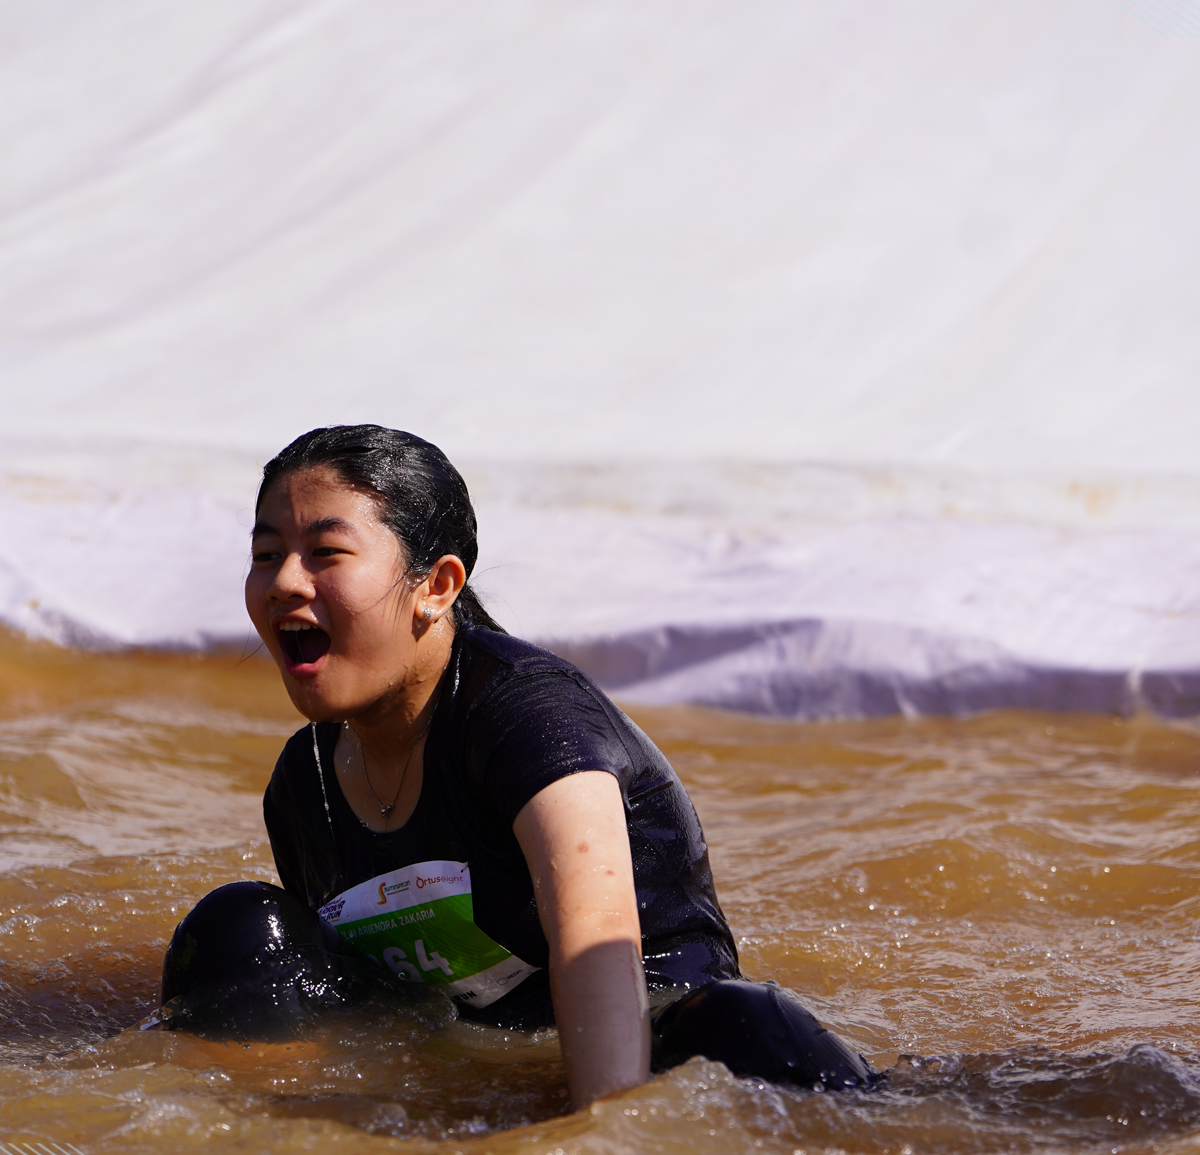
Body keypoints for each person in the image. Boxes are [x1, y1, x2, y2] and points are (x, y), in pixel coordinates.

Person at [160, 425, 876, 1110]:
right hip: (475, 1060)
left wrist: (602, 1142)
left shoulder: (530, 717)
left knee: (740, 1022)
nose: (285, 582)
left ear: (436, 586)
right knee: (239, 930)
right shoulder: (303, 784)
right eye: (266, 554)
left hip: (647, 1042)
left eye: (325, 552)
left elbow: (598, 943)